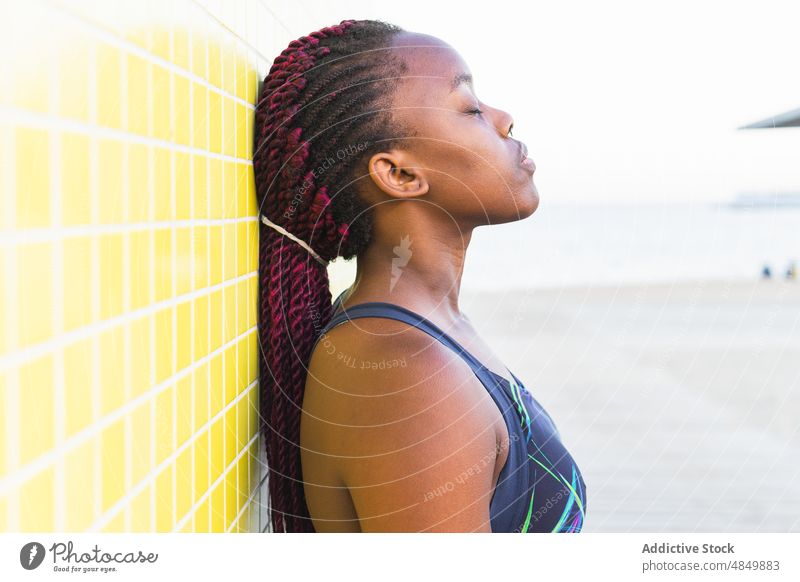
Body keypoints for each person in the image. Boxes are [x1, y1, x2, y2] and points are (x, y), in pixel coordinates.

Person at [253, 19, 586, 533]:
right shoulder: (401, 373)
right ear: (400, 175)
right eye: (471, 108)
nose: (504, 119)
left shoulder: (424, 331)